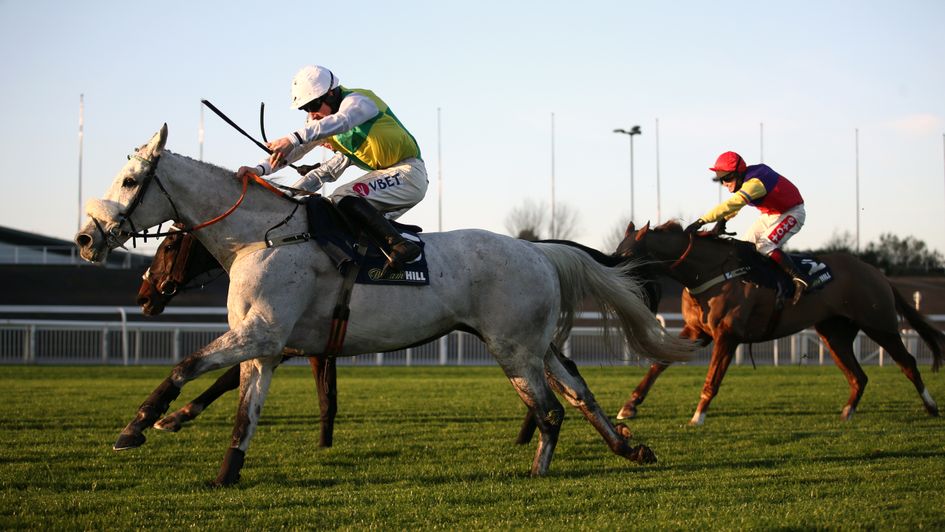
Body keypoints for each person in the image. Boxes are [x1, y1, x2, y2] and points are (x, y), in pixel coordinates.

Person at [237, 65, 427, 270]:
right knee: (336, 211)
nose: (312, 114)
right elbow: (301, 155)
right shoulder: (330, 127)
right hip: (390, 177)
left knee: (343, 196)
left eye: (313, 105)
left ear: (331, 93)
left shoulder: (359, 101)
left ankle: (400, 245)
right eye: (305, 109)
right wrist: (260, 170)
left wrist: (293, 138)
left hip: (409, 174)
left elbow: (342, 121)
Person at [684, 151, 810, 304]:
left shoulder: (755, 183)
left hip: (792, 212)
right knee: (744, 249)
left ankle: (799, 278)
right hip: (770, 214)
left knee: (764, 245)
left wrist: (701, 221)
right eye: (721, 179)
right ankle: (763, 286)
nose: (724, 183)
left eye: (727, 178)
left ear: (738, 173)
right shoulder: (745, 180)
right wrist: (723, 220)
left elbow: (733, 203)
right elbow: (737, 205)